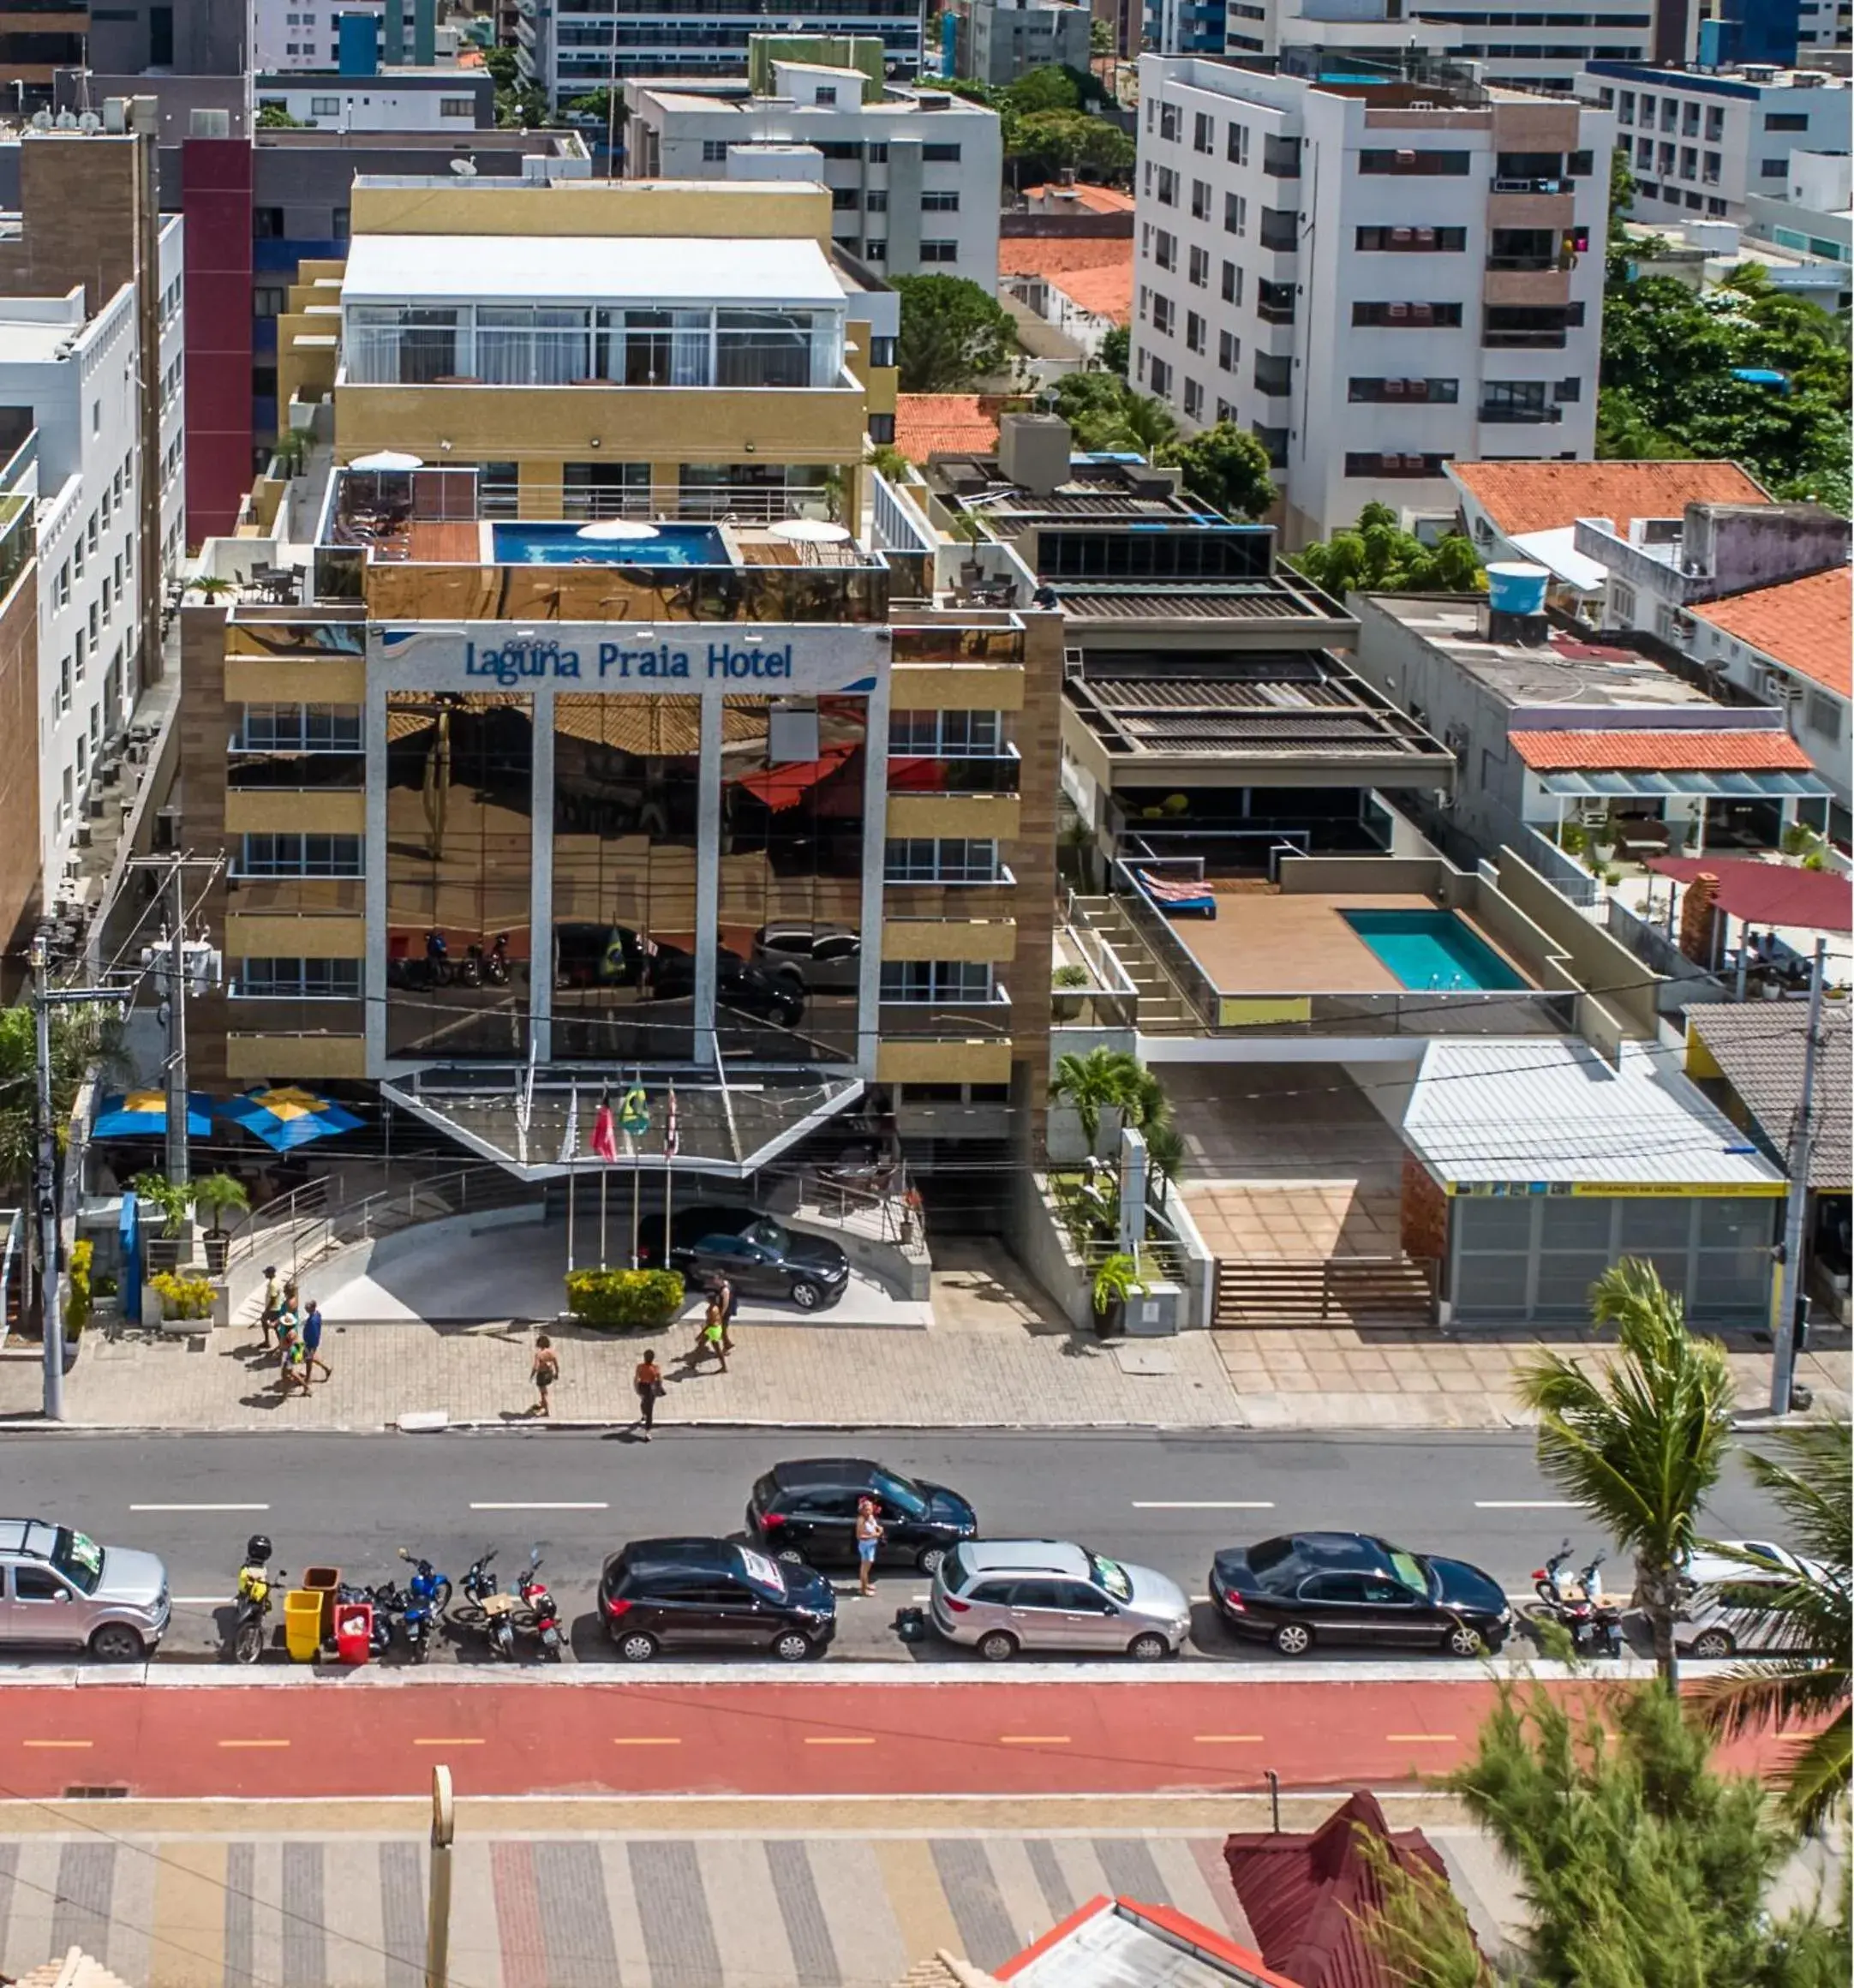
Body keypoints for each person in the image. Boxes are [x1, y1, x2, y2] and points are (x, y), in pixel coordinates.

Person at [854, 1496, 883, 1597]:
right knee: (864, 1569)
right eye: (866, 1509)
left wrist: (879, 1529)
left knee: (868, 1567)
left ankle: (866, 1584)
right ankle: (863, 1590)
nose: (869, 1511)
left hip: (871, 1545)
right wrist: (874, 1536)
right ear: (861, 1510)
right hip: (865, 1547)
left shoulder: (870, 1517)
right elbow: (859, 1536)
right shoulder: (861, 1520)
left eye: (870, 1509)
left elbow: (874, 1527)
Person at [634, 1348, 663, 1439]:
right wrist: (658, 1388)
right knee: (647, 1406)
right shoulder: (655, 1368)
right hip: (649, 1388)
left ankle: (646, 1423)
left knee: (647, 1406)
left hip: (645, 1387)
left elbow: (636, 1379)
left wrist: (636, 1389)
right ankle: (647, 1427)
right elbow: (660, 1380)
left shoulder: (640, 1367)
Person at [301, 1298, 331, 1383]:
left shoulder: (312, 1321)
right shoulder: (317, 1314)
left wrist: (310, 1345)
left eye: (307, 1307)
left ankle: (307, 1379)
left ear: (312, 1308)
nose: (305, 1308)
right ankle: (326, 1369)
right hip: (311, 1343)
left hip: (310, 1344)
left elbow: (314, 1334)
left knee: (308, 1361)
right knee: (310, 1358)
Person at [698, 1295, 728, 1374]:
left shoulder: (711, 1310)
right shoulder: (716, 1307)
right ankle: (694, 1363)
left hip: (712, 1330)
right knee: (701, 1345)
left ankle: (724, 1367)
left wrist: (701, 1333)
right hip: (715, 1328)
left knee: (718, 1350)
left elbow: (709, 1324)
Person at [531, 1333, 559, 1417]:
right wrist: (556, 1374)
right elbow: (556, 1365)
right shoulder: (552, 1352)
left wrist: (532, 1375)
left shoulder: (539, 1354)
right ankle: (543, 1404)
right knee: (545, 1389)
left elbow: (536, 1367)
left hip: (542, 1375)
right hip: (549, 1374)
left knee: (543, 1393)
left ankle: (546, 1411)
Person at [258, 1267, 281, 1349]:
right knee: (275, 1326)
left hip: (273, 1309)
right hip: (276, 1308)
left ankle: (268, 1342)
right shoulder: (276, 1281)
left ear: (271, 1273)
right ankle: (279, 1343)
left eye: (266, 1273)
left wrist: (266, 1310)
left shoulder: (272, 1284)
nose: (265, 1274)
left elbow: (273, 1299)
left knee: (267, 1322)